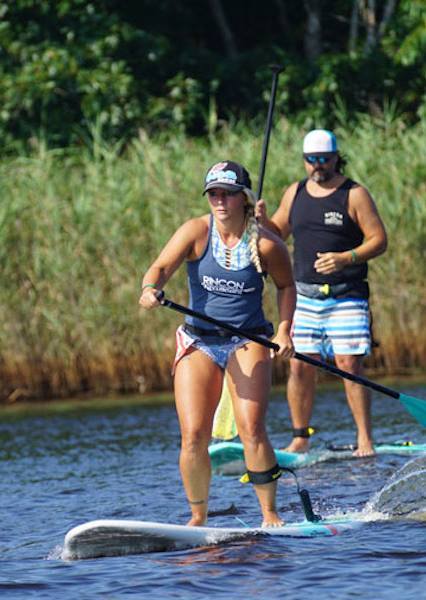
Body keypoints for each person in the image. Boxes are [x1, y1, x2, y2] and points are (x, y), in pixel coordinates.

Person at [139, 160, 296, 528]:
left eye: (227, 193)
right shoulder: (195, 232)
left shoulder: (267, 244)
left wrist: (285, 330)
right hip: (199, 341)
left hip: (248, 339)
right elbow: (160, 268)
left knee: (251, 429)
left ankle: (270, 514)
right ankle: (198, 516)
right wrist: (149, 288)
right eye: (213, 194)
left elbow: (286, 287)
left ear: (244, 198)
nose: (220, 201)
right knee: (193, 434)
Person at [255, 129, 388, 457]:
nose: (317, 166)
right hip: (305, 296)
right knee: (300, 365)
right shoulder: (296, 192)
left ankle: (364, 440)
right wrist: (260, 221)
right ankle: (301, 437)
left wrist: (346, 258)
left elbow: (378, 240)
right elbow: (278, 233)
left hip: (346, 294)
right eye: (311, 160)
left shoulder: (354, 194)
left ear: (335, 157)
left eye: (323, 160)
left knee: (348, 364)